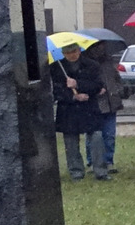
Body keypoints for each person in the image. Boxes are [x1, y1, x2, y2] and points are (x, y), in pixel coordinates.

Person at [51, 41, 106, 181]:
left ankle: (100, 171)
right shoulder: (56, 67)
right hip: (68, 110)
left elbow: (98, 85)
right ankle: (76, 172)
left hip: (89, 108)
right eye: (68, 53)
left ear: (79, 51)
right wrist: (73, 97)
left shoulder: (92, 65)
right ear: (63, 54)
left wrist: (78, 84)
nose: (72, 55)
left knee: (97, 137)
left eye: (74, 51)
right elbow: (56, 90)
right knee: (71, 142)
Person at [92, 43, 124, 177]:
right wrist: (95, 89)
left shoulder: (109, 62)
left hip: (112, 102)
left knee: (110, 134)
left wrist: (118, 90)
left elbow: (117, 79)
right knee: (95, 135)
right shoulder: (88, 64)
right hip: (95, 104)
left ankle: (109, 160)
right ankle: (93, 161)